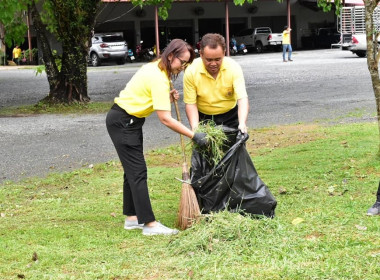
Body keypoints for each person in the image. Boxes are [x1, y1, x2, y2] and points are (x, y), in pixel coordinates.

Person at [106, 39, 208, 236]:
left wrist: (166, 98)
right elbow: (166, 119)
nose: (183, 68)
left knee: (132, 171)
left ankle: (132, 218)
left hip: (127, 121)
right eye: (182, 62)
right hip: (124, 121)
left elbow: (147, 97)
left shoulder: (156, 69)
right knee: (138, 172)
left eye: (187, 64)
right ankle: (150, 224)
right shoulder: (159, 78)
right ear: (171, 56)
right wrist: (194, 135)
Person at [183, 33, 249, 139]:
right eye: (209, 60)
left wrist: (242, 123)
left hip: (230, 117)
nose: (213, 64)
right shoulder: (191, 71)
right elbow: (191, 103)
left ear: (224, 53)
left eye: (218, 59)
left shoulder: (233, 67)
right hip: (204, 119)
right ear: (201, 54)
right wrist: (195, 128)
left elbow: (242, 98)